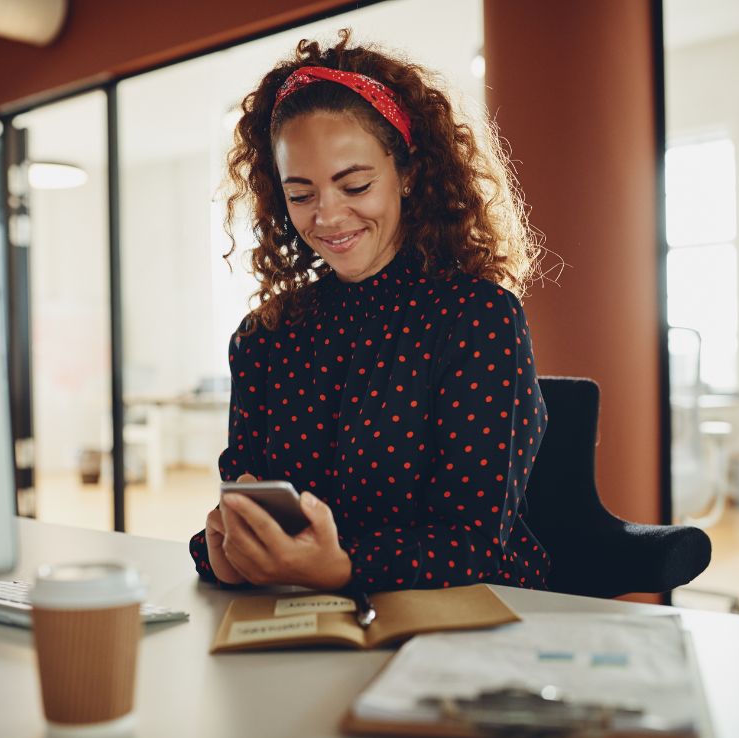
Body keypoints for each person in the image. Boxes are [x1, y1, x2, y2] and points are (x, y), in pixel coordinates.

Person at [189, 31, 550, 594]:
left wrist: (341, 567)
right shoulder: (264, 337)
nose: (328, 217)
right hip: (309, 617)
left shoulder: (478, 319)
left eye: (354, 184)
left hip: (464, 618)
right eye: (301, 194)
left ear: (406, 173)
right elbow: (248, 505)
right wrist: (227, 555)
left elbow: (474, 544)